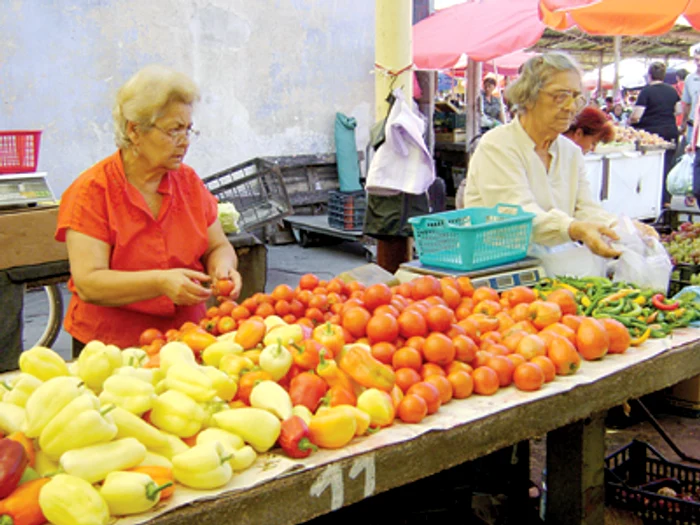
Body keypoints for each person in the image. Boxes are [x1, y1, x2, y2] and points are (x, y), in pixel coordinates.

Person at [56, 65, 242, 354]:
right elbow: (90, 282)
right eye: (173, 130)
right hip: (111, 348)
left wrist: (223, 268)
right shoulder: (91, 192)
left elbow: (218, 245)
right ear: (134, 130)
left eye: (188, 129)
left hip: (188, 338)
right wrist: (160, 282)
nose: (184, 141)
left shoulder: (189, 182)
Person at [459, 52, 626, 259]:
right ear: (529, 97)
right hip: (501, 266)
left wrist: (618, 227)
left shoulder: (570, 152)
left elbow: (584, 207)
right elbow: (518, 215)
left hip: (554, 268)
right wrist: (574, 229)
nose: (571, 107)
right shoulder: (497, 146)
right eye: (560, 96)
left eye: (576, 97)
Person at [630, 61, 680, 207]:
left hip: (651, 134)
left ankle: (649, 200)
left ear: (649, 75)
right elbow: (679, 111)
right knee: (667, 166)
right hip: (670, 130)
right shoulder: (672, 91)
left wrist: (629, 122)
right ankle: (666, 200)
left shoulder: (646, 92)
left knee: (649, 167)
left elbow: (636, 116)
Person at [680, 46, 700, 145]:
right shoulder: (690, 78)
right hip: (693, 127)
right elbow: (687, 104)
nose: (699, 63)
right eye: (697, 60)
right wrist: (683, 124)